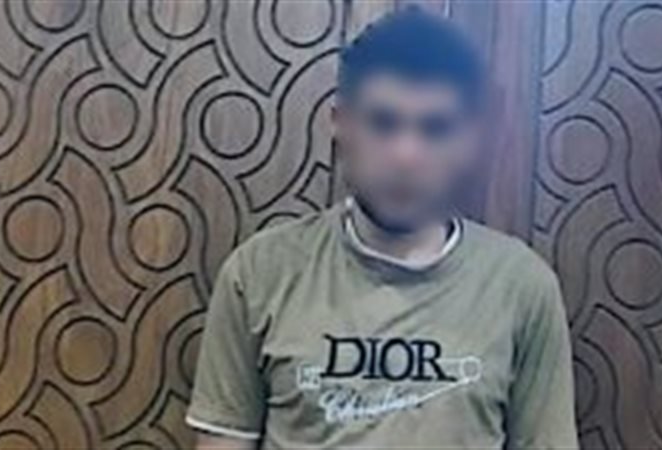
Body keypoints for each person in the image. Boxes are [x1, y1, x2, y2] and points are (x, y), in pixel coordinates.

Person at [186, 7, 579, 449]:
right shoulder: (260, 272)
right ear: (341, 124)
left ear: (467, 138)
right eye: (383, 123)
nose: (405, 154)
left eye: (434, 128)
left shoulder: (521, 285)